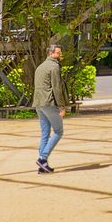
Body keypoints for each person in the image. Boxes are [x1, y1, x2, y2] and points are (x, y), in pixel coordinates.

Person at [33, 43, 67, 173]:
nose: (60, 55)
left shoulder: (40, 67)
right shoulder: (54, 67)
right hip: (49, 103)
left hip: (38, 104)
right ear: (51, 53)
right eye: (58, 53)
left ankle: (43, 165)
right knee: (59, 131)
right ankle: (43, 158)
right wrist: (62, 106)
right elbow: (57, 88)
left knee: (45, 134)